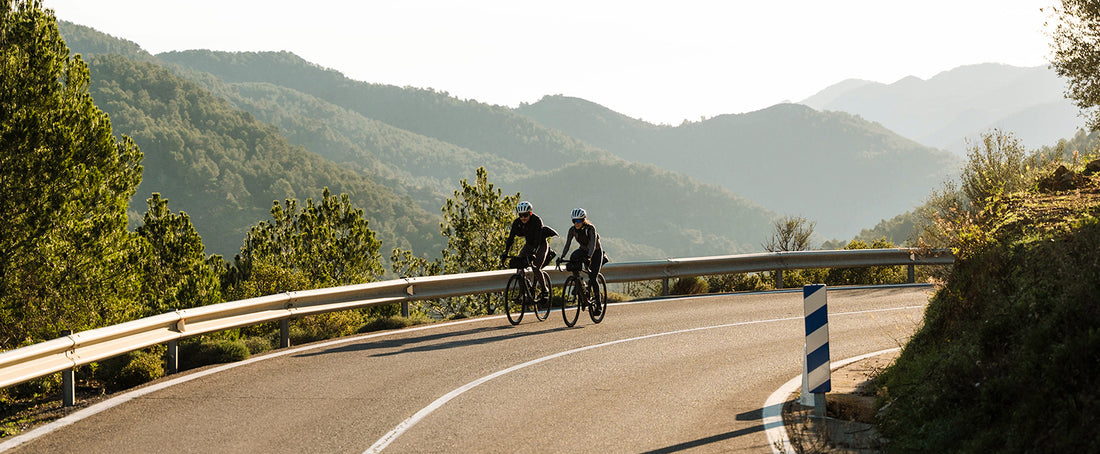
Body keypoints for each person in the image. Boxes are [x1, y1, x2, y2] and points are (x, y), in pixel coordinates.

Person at [501, 200, 551, 302]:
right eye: (521, 215)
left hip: (541, 245)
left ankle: (544, 290)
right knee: (519, 266)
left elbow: (537, 239)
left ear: (530, 213)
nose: (523, 218)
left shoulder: (537, 221)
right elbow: (511, 238)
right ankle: (524, 291)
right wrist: (506, 252)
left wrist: (533, 253)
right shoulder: (517, 222)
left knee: (536, 268)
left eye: (526, 215)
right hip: (529, 245)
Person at [557, 207, 604, 312]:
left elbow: (592, 245)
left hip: (595, 252)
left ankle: (599, 304)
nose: (576, 223)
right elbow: (567, 245)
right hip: (583, 250)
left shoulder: (590, 229)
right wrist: (562, 257)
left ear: (583, 220)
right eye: (574, 221)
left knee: (593, 277)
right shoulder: (572, 230)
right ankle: (578, 283)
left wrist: (589, 257)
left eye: (578, 221)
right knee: (573, 258)